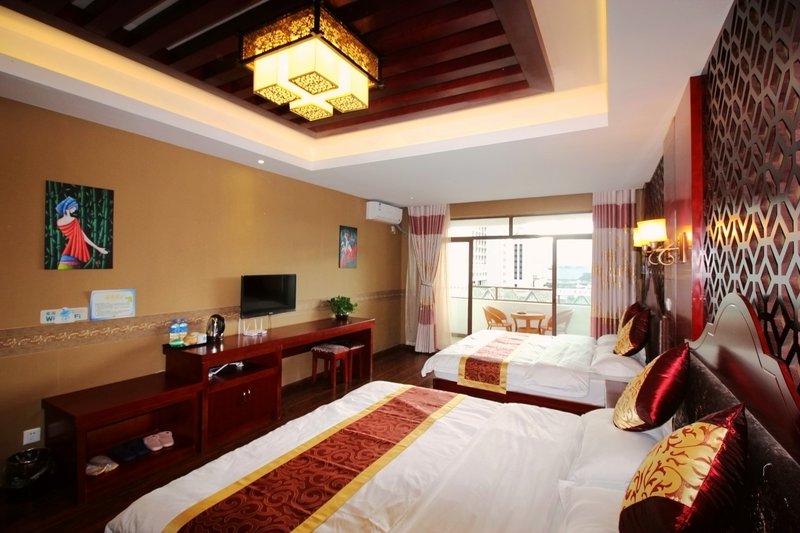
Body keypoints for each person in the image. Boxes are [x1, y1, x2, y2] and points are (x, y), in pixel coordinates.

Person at [55, 196, 108, 269]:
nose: (75, 209)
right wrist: (98, 248)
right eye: (73, 207)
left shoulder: (58, 222)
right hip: (75, 251)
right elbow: (83, 236)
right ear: (68, 208)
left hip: (67, 253)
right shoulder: (74, 220)